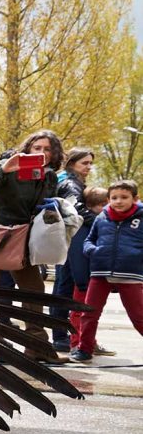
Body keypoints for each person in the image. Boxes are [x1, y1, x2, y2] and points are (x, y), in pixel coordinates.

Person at [0, 129, 62, 362]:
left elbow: (42, 205)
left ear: (54, 154)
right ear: (28, 149)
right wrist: (4, 168)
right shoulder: (9, 164)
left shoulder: (49, 176)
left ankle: (37, 345)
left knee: (34, 291)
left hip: (23, 238)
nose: (42, 153)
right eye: (37, 148)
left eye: (47, 149)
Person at [74, 180, 143, 362]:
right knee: (89, 313)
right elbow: (89, 239)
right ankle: (84, 350)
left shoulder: (141, 218)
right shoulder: (101, 218)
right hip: (100, 273)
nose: (118, 201)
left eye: (124, 197)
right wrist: (91, 250)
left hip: (130, 275)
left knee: (138, 316)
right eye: (114, 197)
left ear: (135, 199)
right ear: (108, 199)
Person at [50, 147, 94, 351]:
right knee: (64, 289)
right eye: (85, 163)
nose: (89, 167)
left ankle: (63, 335)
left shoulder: (67, 180)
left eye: (90, 163)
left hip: (65, 239)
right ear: (72, 163)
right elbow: (76, 209)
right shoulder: (69, 183)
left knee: (63, 287)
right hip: (69, 240)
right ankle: (60, 336)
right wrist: (101, 222)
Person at [66, 187, 109, 355]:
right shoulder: (85, 225)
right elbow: (78, 255)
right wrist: (82, 281)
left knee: (90, 312)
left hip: (92, 276)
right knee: (79, 312)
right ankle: (76, 343)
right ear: (99, 205)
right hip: (84, 278)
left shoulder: (96, 222)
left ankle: (89, 341)